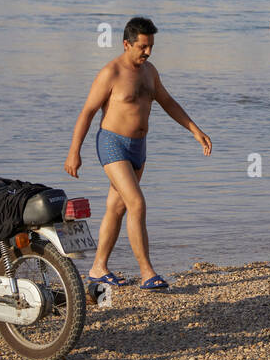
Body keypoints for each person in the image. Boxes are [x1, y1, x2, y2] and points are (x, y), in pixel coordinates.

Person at [64, 17, 213, 291]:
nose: (148, 52)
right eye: (143, 46)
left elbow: (167, 101)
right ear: (126, 44)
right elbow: (87, 112)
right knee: (137, 203)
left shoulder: (150, 72)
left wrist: (194, 130)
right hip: (112, 144)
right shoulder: (111, 73)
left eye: (151, 46)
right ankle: (147, 272)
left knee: (117, 207)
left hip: (138, 148)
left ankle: (98, 268)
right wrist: (74, 151)